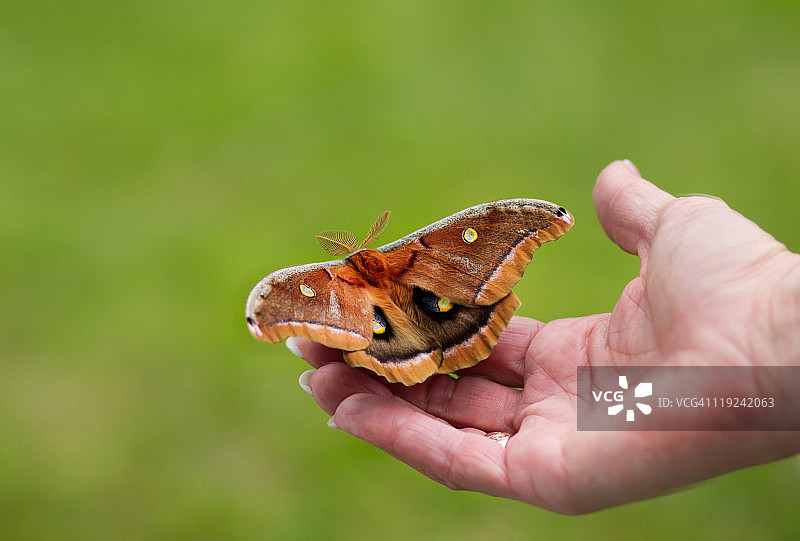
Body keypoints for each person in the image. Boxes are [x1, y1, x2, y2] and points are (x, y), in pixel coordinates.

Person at [285, 160, 800, 514]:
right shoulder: (355, 275)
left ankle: (403, 338)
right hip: (433, 317)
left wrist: (763, 351)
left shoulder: (365, 269)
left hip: (434, 318)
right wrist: (760, 367)